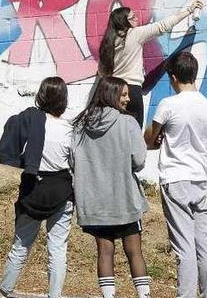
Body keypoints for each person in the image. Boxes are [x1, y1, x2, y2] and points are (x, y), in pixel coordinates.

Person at [145, 52, 207, 298]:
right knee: (203, 243)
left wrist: (159, 137)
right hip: (200, 177)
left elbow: (150, 140)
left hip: (175, 178)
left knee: (183, 246)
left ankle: (185, 295)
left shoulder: (168, 104)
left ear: (173, 77)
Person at [0, 77, 74, 298]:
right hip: (62, 190)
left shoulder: (29, 121)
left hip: (34, 189)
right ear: (64, 100)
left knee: (21, 245)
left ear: (41, 95)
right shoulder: (70, 130)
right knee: (57, 249)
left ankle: (4, 292)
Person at [72, 76, 151, 298]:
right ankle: (143, 295)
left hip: (95, 201)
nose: (128, 99)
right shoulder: (128, 123)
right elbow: (139, 161)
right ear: (111, 94)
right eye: (124, 94)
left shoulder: (81, 125)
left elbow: (72, 160)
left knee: (104, 251)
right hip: (124, 197)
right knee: (134, 251)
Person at [97, 0, 203, 128]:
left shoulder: (107, 42)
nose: (136, 19)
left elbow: (101, 72)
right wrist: (188, 11)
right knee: (134, 134)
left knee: (113, 133)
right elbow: (162, 26)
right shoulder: (134, 34)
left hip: (110, 92)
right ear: (124, 21)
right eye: (133, 17)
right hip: (131, 91)